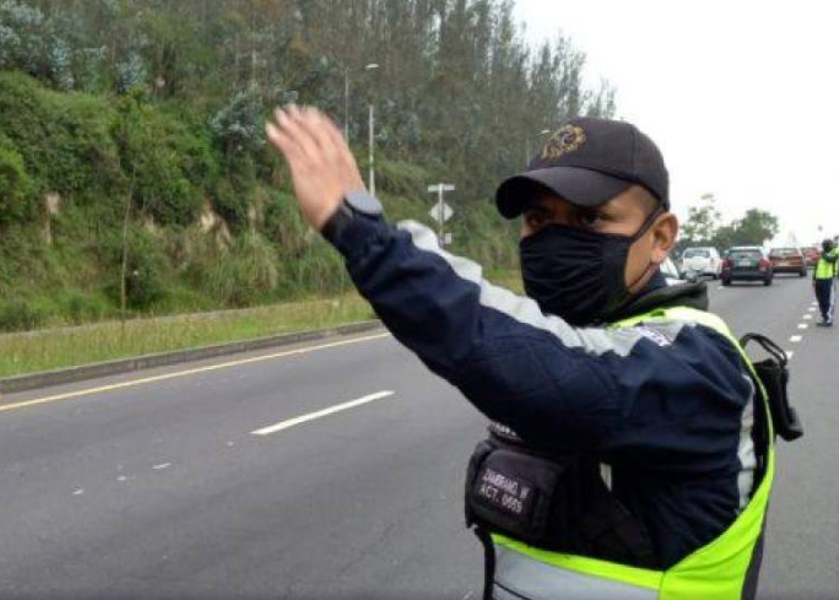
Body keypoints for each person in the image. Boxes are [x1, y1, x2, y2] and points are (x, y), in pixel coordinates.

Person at [267, 107, 776, 599]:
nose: (556, 239)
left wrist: (366, 235)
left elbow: (551, 368)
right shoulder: (561, 332)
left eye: (590, 219)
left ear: (660, 237)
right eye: (539, 219)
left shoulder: (698, 363)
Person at [813, 239, 837, 327]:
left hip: (828, 280)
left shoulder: (834, 253)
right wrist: (814, 279)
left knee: (828, 301)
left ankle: (829, 320)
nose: (826, 246)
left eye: (828, 245)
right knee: (821, 300)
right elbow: (817, 267)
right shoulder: (821, 255)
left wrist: (823, 254)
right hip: (819, 280)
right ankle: (824, 318)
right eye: (824, 245)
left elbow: (831, 260)